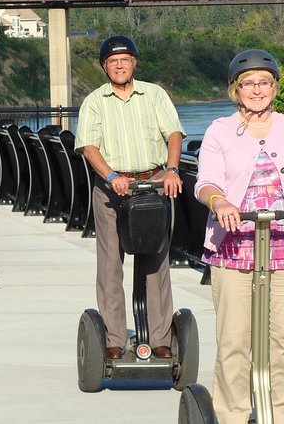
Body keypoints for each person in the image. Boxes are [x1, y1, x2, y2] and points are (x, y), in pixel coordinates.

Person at [194, 49, 284, 424]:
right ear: (235, 90)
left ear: (275, 88)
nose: (257, 89)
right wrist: (219, 202)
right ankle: (232, 415)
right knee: (234, 341)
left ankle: (281, 415)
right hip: (233, 249)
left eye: (264, 82)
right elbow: (206, 182)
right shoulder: (219, 130)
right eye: (248, 83)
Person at [74, 35, 186, 360]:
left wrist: (172, 169)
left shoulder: (154, 94)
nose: (119, 65)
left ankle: (161, 337)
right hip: (111, 189)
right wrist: (110, 176)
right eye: (112, 61)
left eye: (125, 60)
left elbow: (174, 133)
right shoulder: (95, 101)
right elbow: (88, 146)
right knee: (110, 264)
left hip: (152, 184)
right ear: (104, 67)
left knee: (156, 261)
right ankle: (112, 338)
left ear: (134, 62)